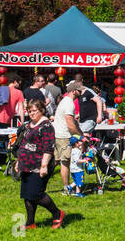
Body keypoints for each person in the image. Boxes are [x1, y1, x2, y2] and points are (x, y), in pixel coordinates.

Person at [14, 98, 65, 229]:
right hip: (26, 164)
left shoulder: (47, 126)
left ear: (41, 110)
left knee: (37, 194)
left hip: (40, 164)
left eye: (34, 111)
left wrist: (44, 166)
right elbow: (22, 144)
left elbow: (49, 147)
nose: (31, 113)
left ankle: (57, 214)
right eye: (29, 111)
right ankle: (30, 223)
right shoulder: (27, 125)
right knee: (27, 195)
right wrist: (19, 161)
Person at [54, 83, 84, 197]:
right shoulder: (69, 103)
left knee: (57, 161)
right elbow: (70, 124)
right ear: (73, 91)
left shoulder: (65, 101)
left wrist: (80, 133)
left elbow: (73, 122)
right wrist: (80, 136)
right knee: (65, 162)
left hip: (58, 134)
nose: (81, 93)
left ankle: (41, 183)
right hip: (63, 136)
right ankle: (67, 189)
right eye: (79, 91)